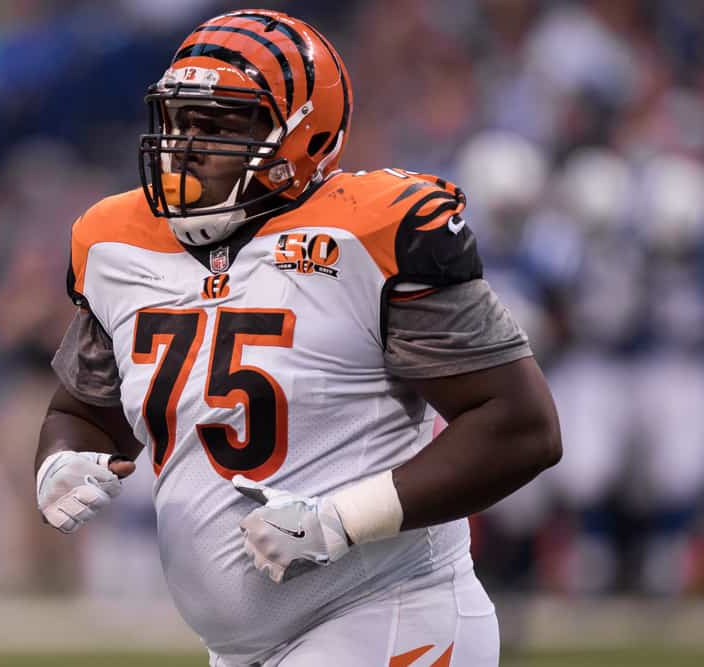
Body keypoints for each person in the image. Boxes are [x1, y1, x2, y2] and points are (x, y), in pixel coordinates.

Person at [34, 9, 561, 666]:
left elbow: (521, 425)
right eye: (177, 120)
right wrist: (62, 459)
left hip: (389, 612)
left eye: (216, 124)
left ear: (300, 138)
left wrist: (341, 518)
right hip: (243, 648)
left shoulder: (373, 234)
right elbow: (83, 411)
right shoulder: (116, 243)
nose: (185, 145)